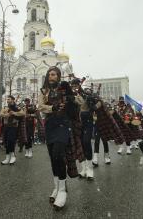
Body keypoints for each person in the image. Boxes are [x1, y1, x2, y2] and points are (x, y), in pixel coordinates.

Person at [38, 67, 82, 210]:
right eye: (50, 74)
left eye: (55, 74)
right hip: (50, 125)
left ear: (58, 76)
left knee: (58, 154)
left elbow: (80, 102)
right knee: (53, 158)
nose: (52, 76)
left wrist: (71, 98)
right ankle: (56, 187)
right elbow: (40, 106)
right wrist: (53, 108)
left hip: (63, 124)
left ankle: (63, 190)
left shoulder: (65, 89)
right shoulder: (44, 91)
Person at [71, 79, 95, 180]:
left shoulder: (86, 95)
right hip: (77, 124)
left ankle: (90, 169)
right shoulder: (71, 96)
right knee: (80, 145)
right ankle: (83, 169)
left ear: (79, 85)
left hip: (87, 123)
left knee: (86, 142)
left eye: (76, 85)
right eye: (73, 86)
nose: (74, 87)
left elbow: (92, 106)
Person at [0, 95, 25, 165]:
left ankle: (13, 156)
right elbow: (0, 114)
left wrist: (14, 113)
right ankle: (7, 157)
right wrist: (6, 115)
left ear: (13, 100)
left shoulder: (17, 107)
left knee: (11, 140)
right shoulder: (5, 107)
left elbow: (23, 113)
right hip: (6, 126)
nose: (7, 100)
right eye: (7, 99)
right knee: (6, 141)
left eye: (9, 99)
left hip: (13, 126)